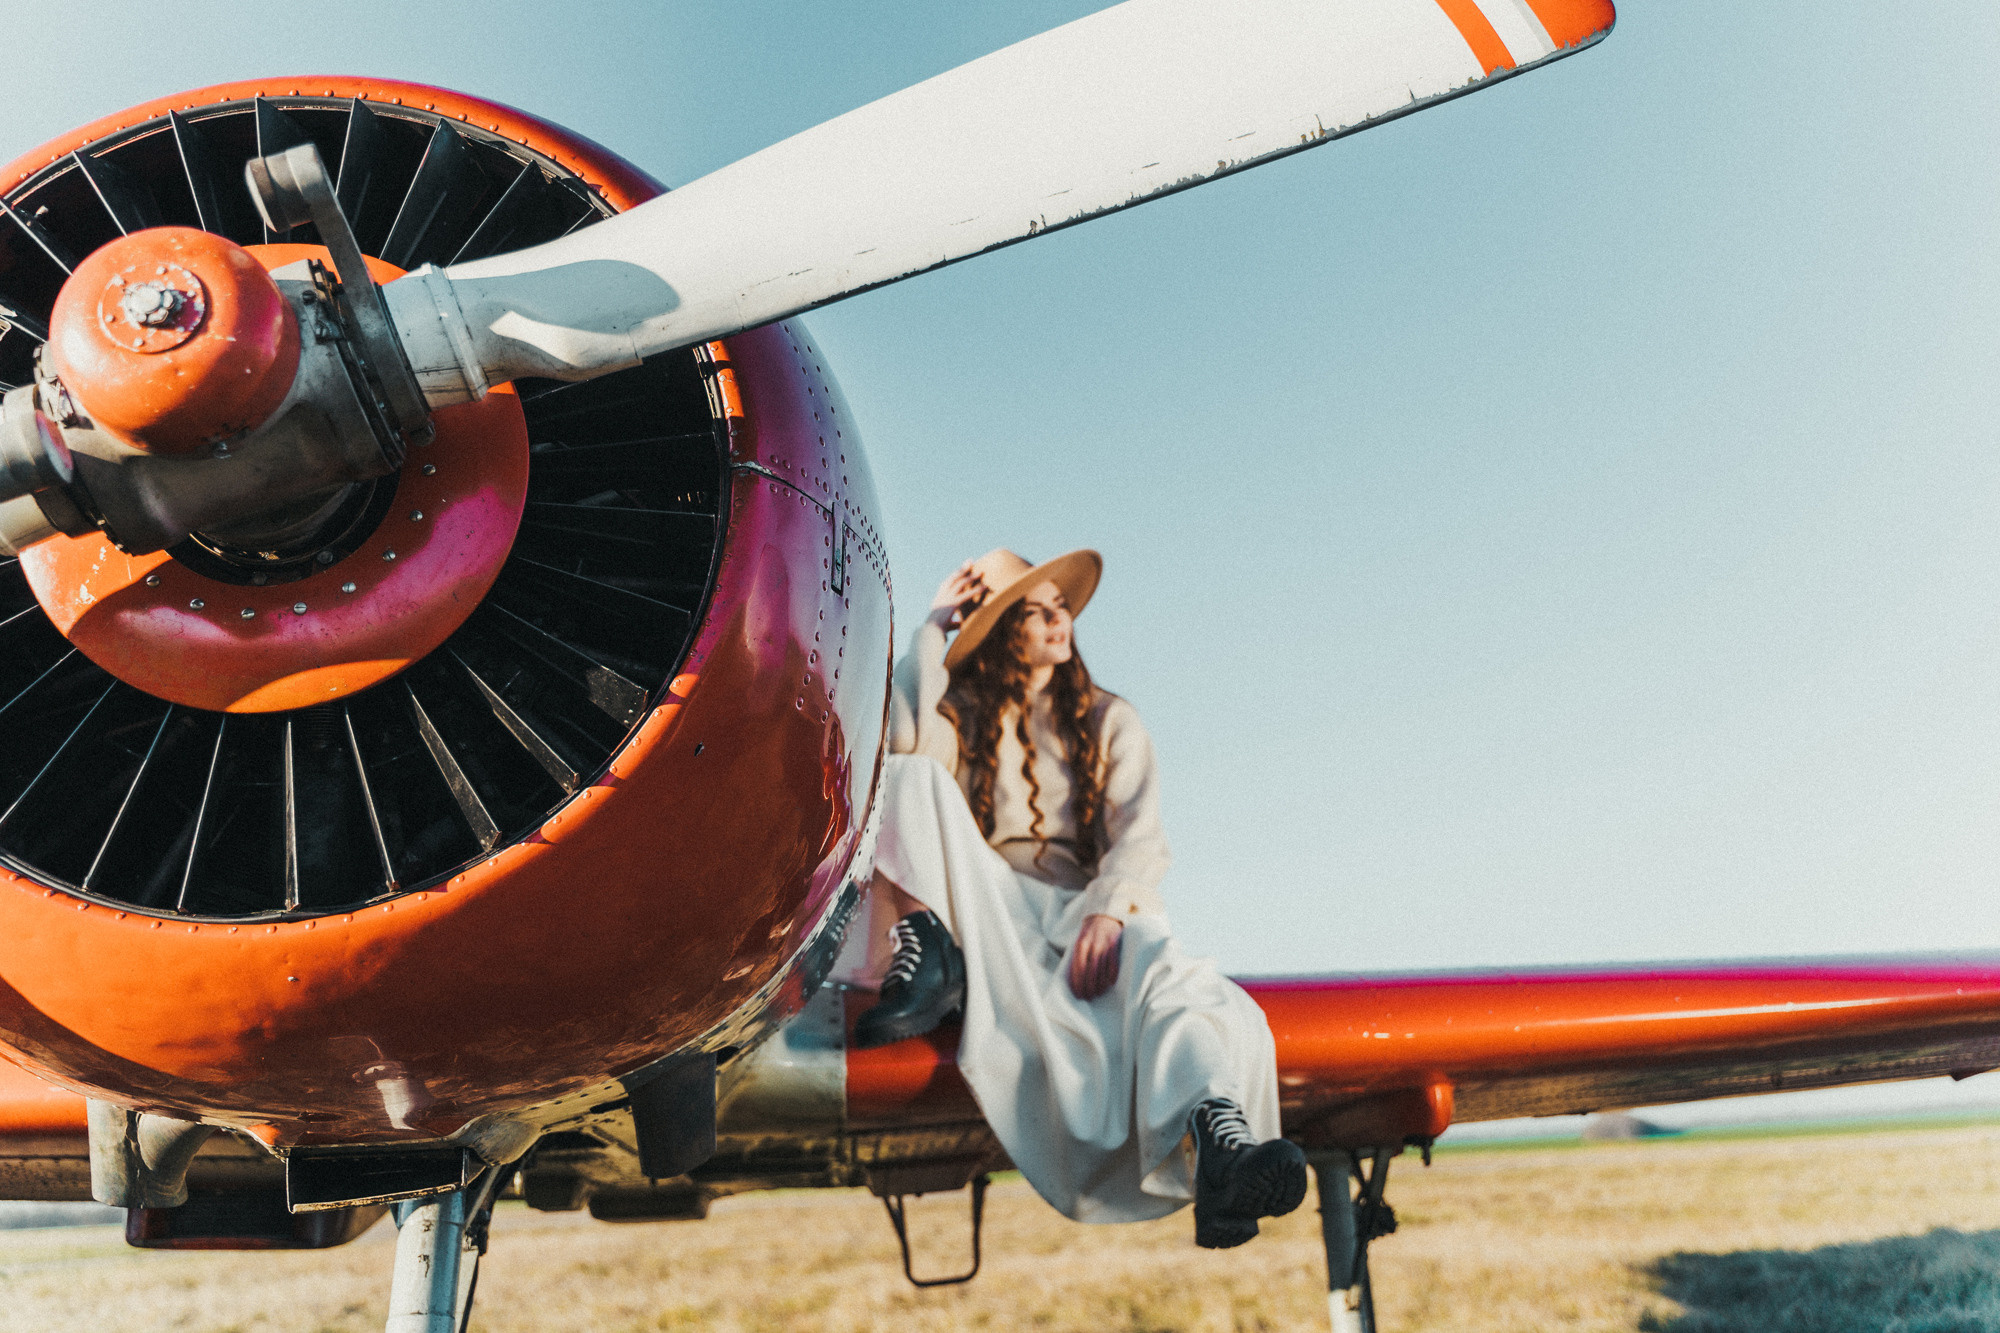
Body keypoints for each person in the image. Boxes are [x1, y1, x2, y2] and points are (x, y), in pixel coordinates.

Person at [854, 547, 1307, 1248]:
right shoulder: (964, 713)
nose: (1057, 619)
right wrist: (933, 629)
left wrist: (1110, 905)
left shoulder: (1110, 718)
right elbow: (902, 739)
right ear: (1005, 632)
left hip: (1086, 907)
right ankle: (927, 952)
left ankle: (1220, 1140)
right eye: (1034, 612)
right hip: (993, 910)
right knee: (909, 776)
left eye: (1059, 606)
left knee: (1170, 972)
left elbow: (1140, 835)